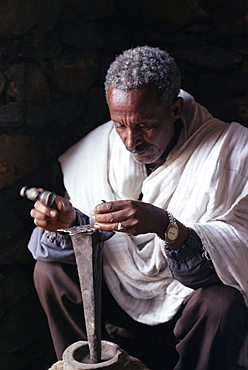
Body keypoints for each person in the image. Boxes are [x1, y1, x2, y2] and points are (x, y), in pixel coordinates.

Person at [27, 46, 248, 370]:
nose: (131, 142)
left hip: (186, 299)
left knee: (222, 302)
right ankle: (84, 366)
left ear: (174, 110)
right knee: (50, 272)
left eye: (146, 126)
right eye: (120, 125)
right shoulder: (96, 152)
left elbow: (237, 252)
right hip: (118, 290)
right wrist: (69, 222)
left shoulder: (231, 153)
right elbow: (86, 236)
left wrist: (164, 225)